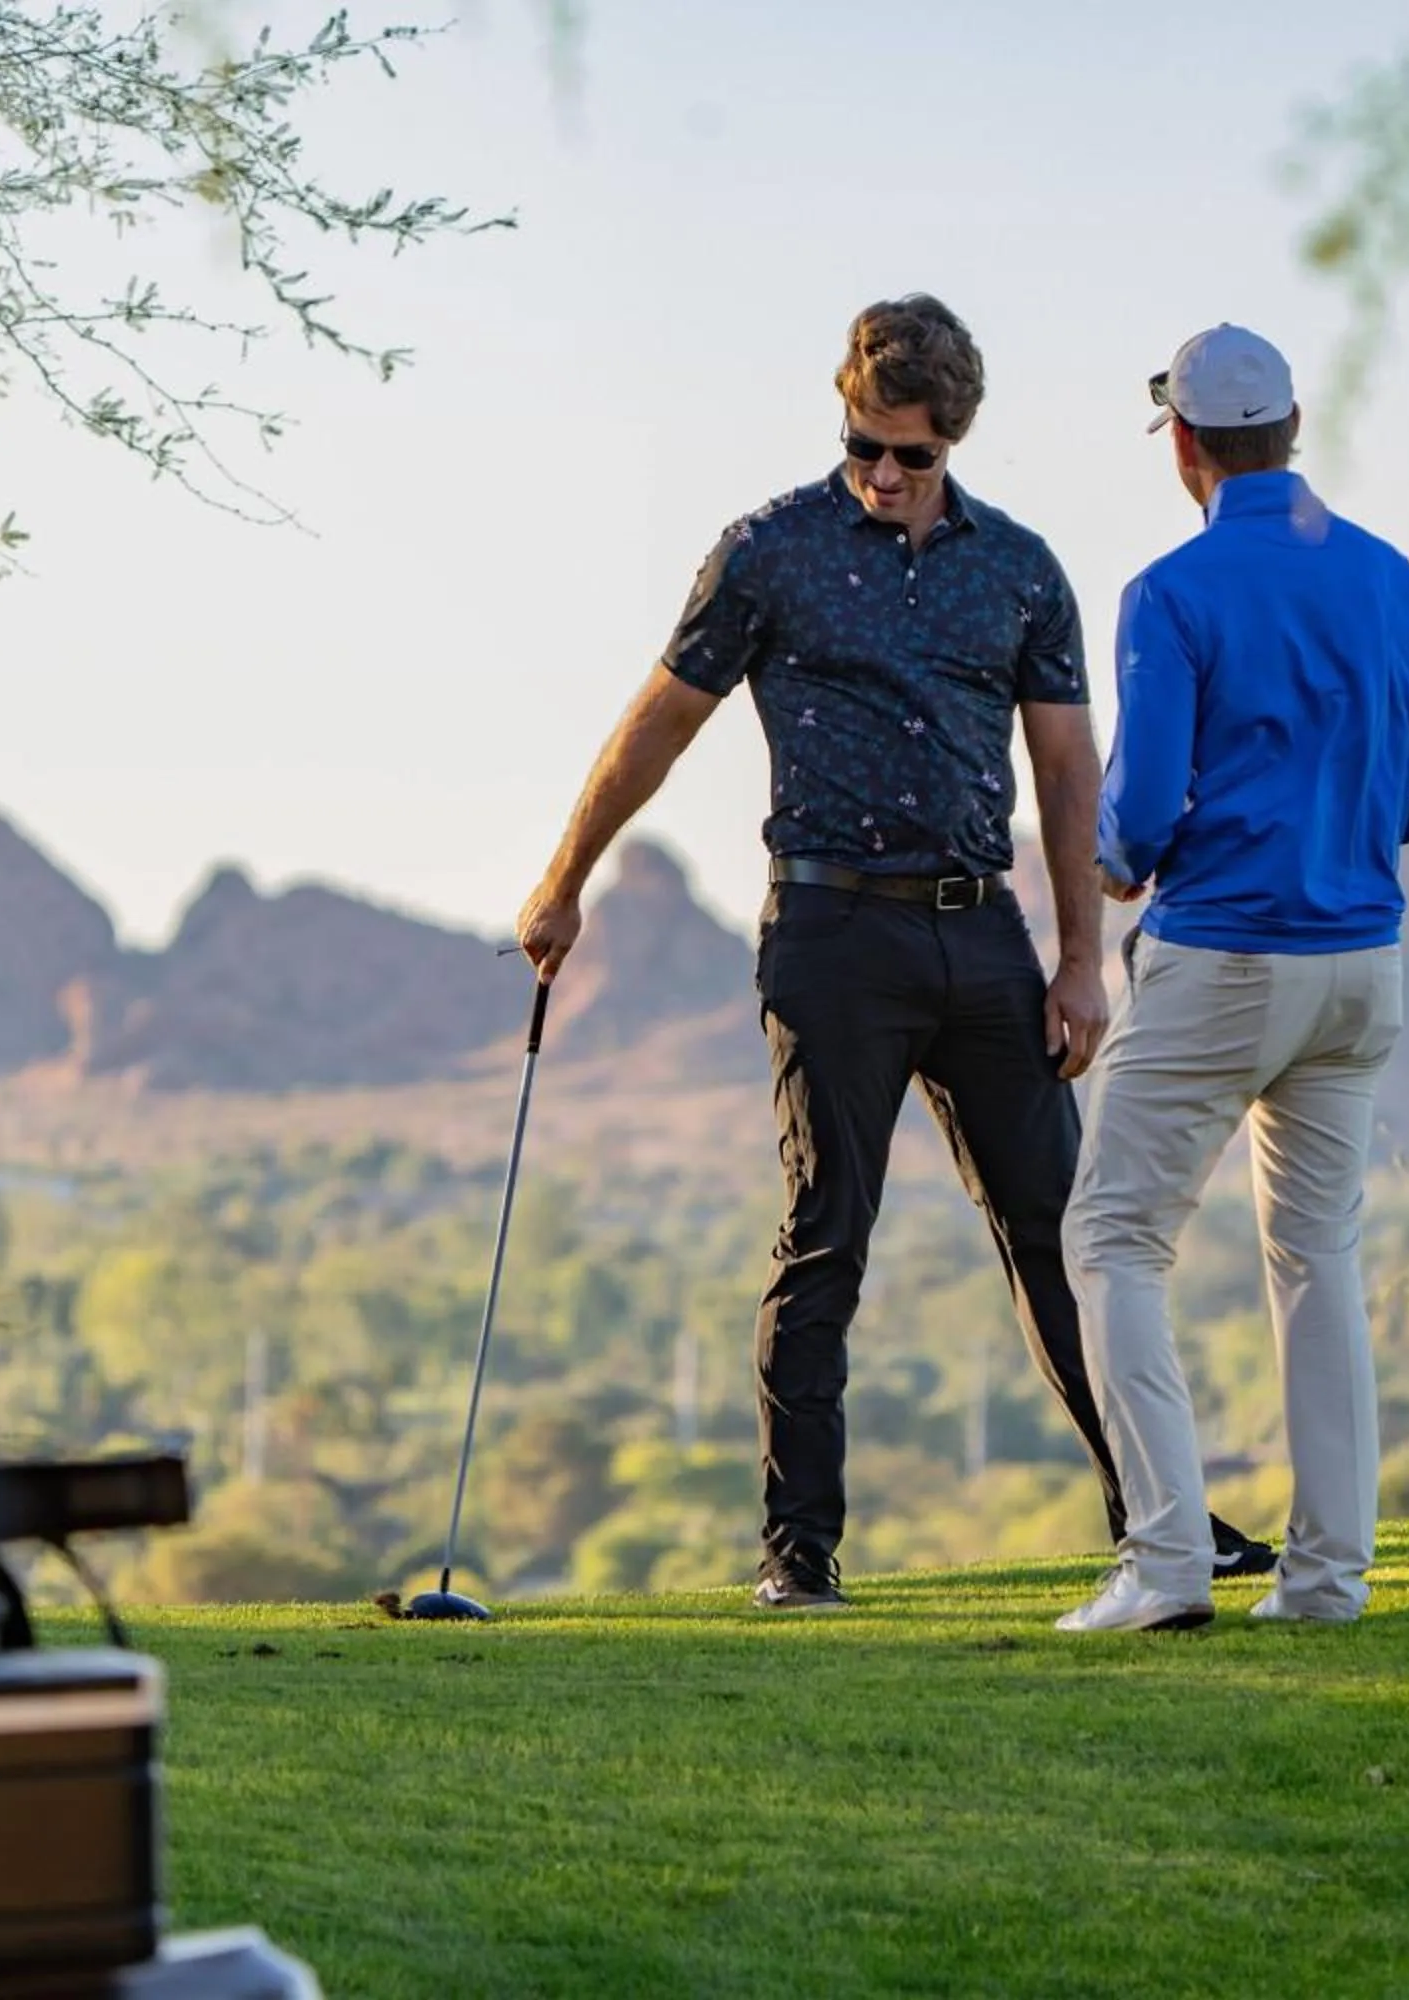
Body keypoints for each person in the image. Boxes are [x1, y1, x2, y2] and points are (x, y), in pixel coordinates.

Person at [515, 295, 1272, 1610]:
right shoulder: (770, 553)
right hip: (831, 931)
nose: (879, 474)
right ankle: (796, 1553)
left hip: (984, 935)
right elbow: (659, 722)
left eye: (908, 456)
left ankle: (1166, 1526)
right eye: (864, 444)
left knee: (1068, 1234)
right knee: (828, 1234)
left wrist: (1081, 961)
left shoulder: (1022, 571)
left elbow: (1065, 768)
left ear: (953, 443)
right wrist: (565, 880)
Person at [1057, 323, 1409, 1634]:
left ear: (1183, 444)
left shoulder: (1173, 593)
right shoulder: (1391, 577)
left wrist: (1131, 862)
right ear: (1293, 431)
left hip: (1227, 956)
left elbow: (1132, 815)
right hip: (1362, 965)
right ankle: (1326, 1585)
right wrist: (1342, 838)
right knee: (1318, 1261)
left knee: (1115, 1239)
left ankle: (1169, 1565)